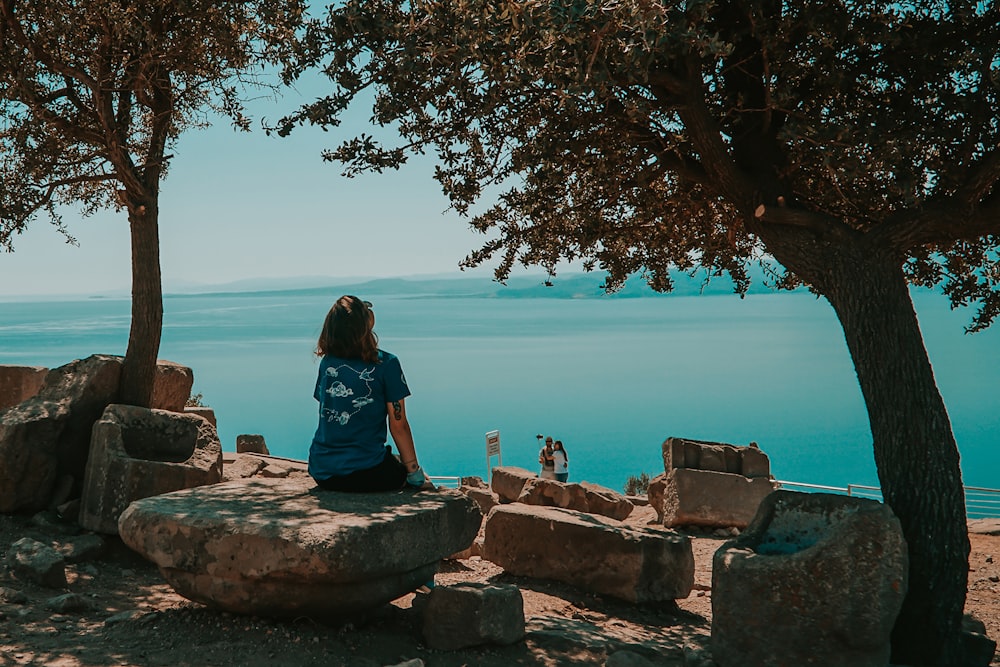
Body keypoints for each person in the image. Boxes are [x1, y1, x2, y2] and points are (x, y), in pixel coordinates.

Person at [308, 295, 430, 492]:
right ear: (366, 324)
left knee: (392, 460)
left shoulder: (328, 364)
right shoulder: (387, 364)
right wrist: (414, 472)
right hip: (367, 473)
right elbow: (398, 425)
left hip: (323, 471)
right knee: (402, 468)